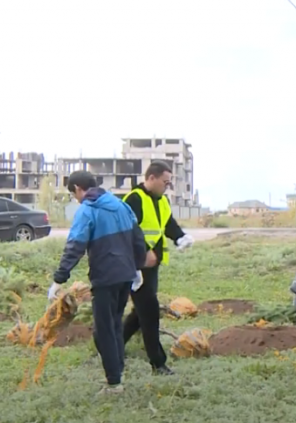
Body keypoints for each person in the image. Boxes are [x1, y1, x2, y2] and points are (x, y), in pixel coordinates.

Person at [49, 170, 147, 395]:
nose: (76, 199)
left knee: (103, 331)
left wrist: (59, 279)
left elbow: (75, 246)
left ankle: (114, 383)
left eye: (73, 194)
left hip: (105, 277)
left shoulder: (87, 210)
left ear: (77, 188)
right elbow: (138, 238)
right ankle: (118, 373)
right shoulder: (121, 205)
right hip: (125, 275)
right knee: (114, 324)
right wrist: (137, 267)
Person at [121, 161, 195, 375]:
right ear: (151, 178)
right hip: (136, 266)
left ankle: (112, 344)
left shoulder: (162, 200)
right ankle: (158, 363)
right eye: (165, 182)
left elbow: (167, 223)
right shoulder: (134, 199)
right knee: (150, 311)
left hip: (152, 266)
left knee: (141, 311)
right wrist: (143, 252)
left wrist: (180, 237)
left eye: (169, 183)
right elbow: (127, 231)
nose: (167, 186)